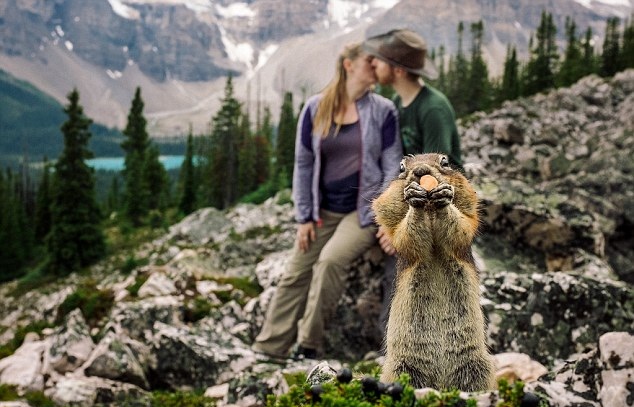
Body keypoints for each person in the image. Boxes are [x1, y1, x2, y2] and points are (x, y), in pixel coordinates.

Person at [251, 42, 403, 359]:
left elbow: (393, 165)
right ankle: (270, 348)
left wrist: (387, 214)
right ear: (348, 65)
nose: (375, 67)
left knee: (330, 261)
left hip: (362, 211)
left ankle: (308, 344)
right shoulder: (315, 108)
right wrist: (304, 216)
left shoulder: (382, 111)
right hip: (322, 211)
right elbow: (304, 163)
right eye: (368, 61)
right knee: (295, 272)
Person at [362, 28, 464, 335]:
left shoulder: (432, 109)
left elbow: (437, 176)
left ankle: (395, 344)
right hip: (410, 205)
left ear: (397, 70)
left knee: (401, 265)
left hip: (437, 210)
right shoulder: (400, 102)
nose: (373, 64)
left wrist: (397, 229)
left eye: (379, 60)